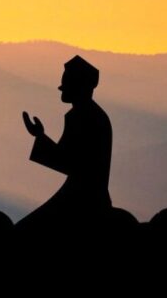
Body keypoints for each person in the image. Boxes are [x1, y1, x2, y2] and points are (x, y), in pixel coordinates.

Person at [19, 55, 112, 229]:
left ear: (78, 86)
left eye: (66, 85)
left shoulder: (81, 116)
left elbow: (66, 162)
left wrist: (40, 137)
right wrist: (40, 136)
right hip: (87, 195)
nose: (61, 89)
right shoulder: (90, 114)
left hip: (82, 199)